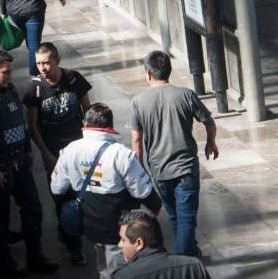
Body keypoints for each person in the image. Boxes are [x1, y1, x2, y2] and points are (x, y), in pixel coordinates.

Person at [0, 50, 58, 277]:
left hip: (19, 163)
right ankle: (5, 267)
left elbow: (20, 120)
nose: (9, 76)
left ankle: (35, 256)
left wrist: (28, 151)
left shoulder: (8, 89)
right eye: (5, 72)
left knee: (33, 209)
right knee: (0, 219)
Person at [51, 104, 162, 278]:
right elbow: (142, 190)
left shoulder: (69, 150)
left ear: (85, 125)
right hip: (118, 229)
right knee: (120, 270)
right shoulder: (121, 154)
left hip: (90, 224)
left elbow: (57, 188)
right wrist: (156, 206)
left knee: (102, 266)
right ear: (110, 126)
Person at [130, 51, 219, 258]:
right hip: (186, 168)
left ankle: (189, 252)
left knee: (175, 217)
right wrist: (210, 142)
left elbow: (136, 140)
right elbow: (209, 121)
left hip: (160, 171)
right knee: (187, 217)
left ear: (148, 74)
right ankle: (183, 258)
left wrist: (139, 168)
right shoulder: (185, 95)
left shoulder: (138, 101)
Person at [23, 42, 91, 265]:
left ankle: (72, 229)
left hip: (78, 148)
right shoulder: (34, 89)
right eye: (38, 63)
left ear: (57, 60)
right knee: (62, 197)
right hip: (53, 151)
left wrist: (89, 143)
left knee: (81, 193)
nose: (42, 68)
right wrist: (45, 152)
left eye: (46, 62)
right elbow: (32, 125)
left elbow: (88, 112)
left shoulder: (73, 79)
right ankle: (74, 245)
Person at [0, 0, 66, 79]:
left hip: (14, 13)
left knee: (31, 44)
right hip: (34, 11)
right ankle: (34, 75)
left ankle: (37, 67)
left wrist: (3, 12)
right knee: (34, 44)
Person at [113, 210, 210, 279]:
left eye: (123, 239)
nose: (119, 244)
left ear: (139, 243)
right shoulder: (194, 265)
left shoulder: (122, 276)